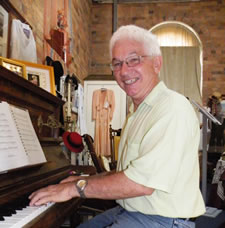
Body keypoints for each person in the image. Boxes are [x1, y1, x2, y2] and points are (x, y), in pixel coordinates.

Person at [29, 25, 205, 228]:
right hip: (130, 211)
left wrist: (75, 188)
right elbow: (128, 173)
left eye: (133, 60)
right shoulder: (137, 112)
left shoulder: (172, 108)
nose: (123, 71)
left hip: (163, 221)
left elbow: (140, 183)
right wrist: (81, 180)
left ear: (157, 63)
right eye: (117, 63)